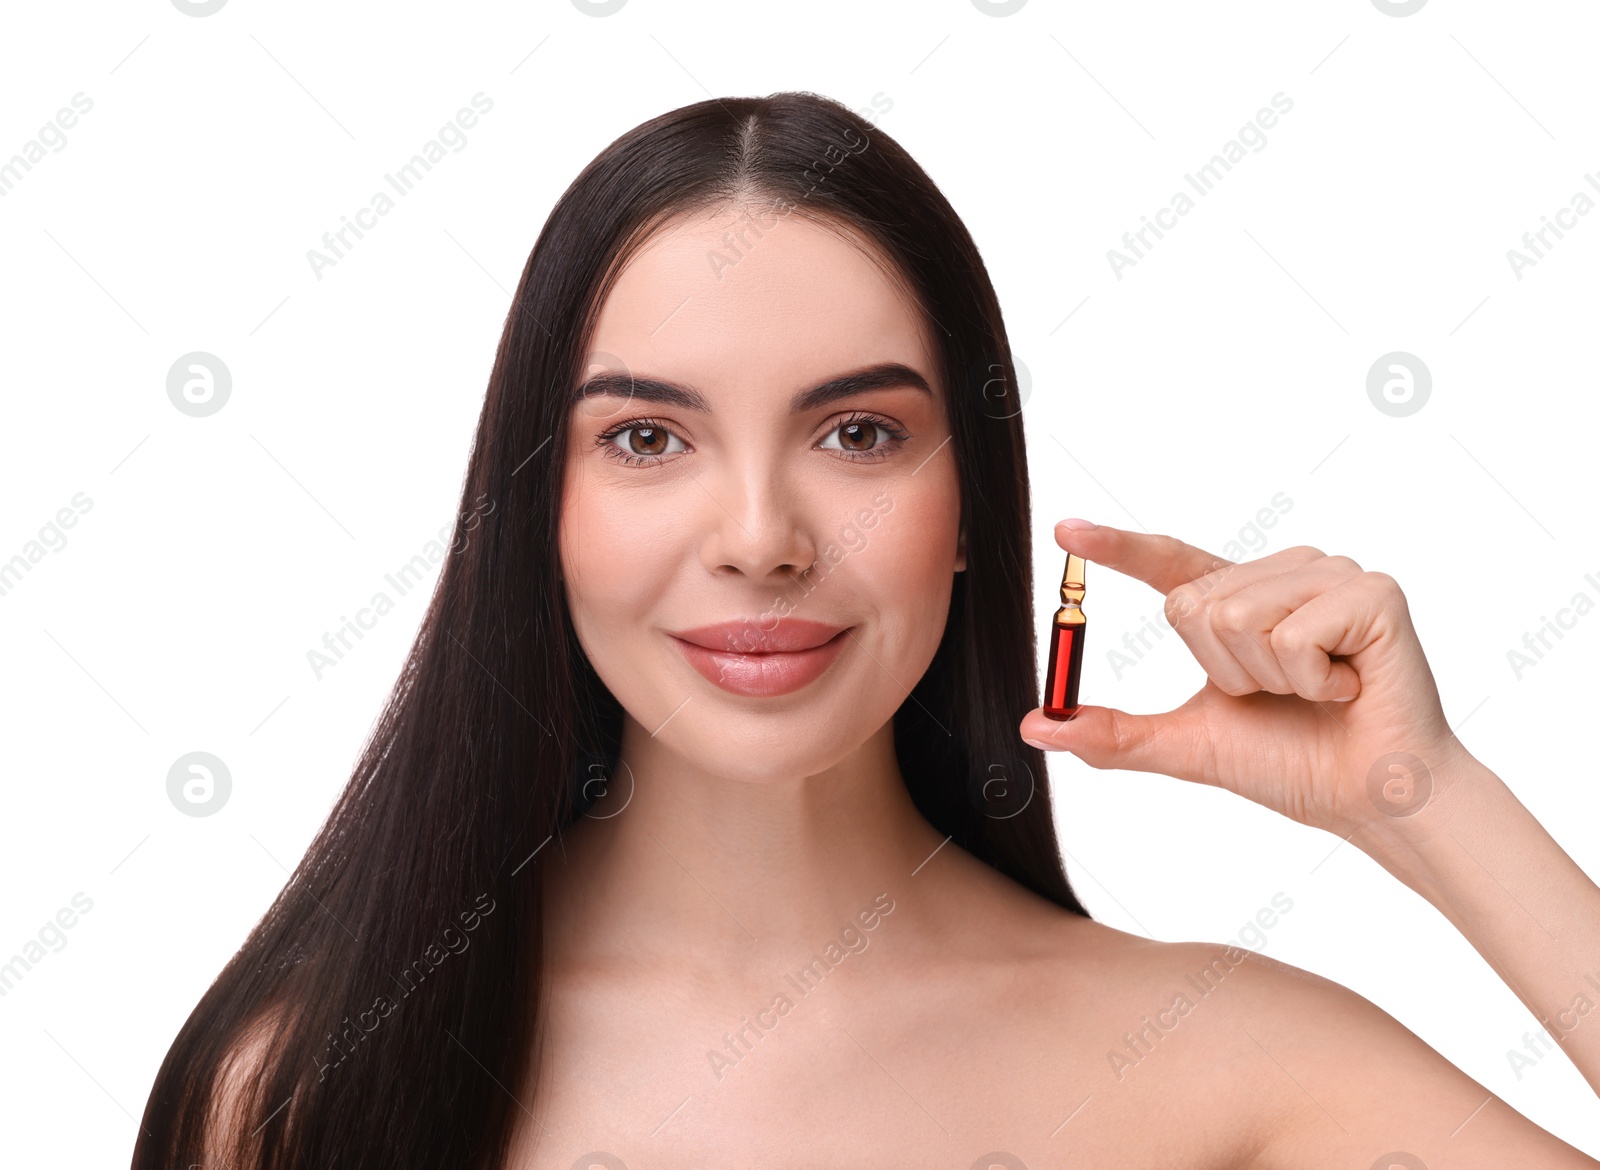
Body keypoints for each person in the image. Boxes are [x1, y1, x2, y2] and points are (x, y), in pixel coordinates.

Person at [131, 90, 1600, 1170]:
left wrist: (1427, 800)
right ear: (540, 509)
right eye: (648, 438)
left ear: (970, 502)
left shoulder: (1226, 1065)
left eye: (855, 431)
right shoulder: (314, 1085)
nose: (762, 535)